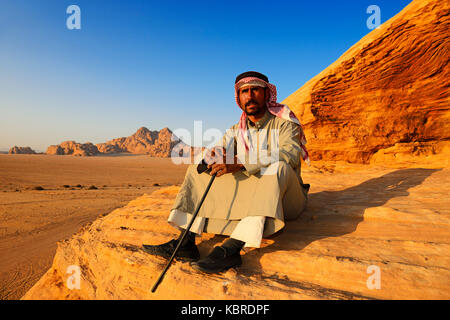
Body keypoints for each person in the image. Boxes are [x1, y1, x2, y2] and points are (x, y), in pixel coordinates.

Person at [142, 71, 310, 274]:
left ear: (267, 94)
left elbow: (289, 154)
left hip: (287, 198)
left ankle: (232, 249)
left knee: (277, 168)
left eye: (255, 90)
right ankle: (185, 242)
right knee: (197, 171)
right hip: (256, 192)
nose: (249, 96)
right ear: (238, 98)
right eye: (244, 91)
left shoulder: (285, 123)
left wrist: (240, 162)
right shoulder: (236, 129)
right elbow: (221, 150)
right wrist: (212, 158)